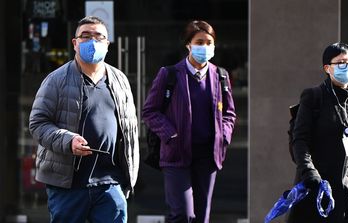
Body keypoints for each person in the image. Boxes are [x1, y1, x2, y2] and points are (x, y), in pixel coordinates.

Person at [29, 16, 139, 223]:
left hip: (110, 183)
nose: (93, 42)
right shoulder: (56, 80)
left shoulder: (120, 80)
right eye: (85, 36)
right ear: (75, 43)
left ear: (107, 44)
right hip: (68, 186)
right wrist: (68, 140)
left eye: (99, 37)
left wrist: (129, 177)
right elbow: (37, 124)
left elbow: (130, 131)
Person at [142, 20, 236, 223]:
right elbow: (149, 111)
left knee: (201, 217)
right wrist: (171, 134)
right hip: (177, 154)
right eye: (199, 42)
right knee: (183, 215)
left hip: (208, 156)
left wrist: (223, 137)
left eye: (209, 42)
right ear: (188, 45)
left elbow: (229, 113)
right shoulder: (169, 74)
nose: (205, 47)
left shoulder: (220, 76)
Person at [287, 42, 348, 223]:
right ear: (327, 68)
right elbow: (300, 140)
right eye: (341, 62)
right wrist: (308, 171)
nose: (347, 66)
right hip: (320, 188)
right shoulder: (313, 97)